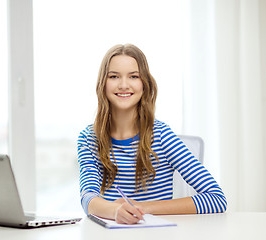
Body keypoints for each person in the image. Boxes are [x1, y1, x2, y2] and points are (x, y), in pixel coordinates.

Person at [77, 44, 227, 224]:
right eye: (114, 76)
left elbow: (217, 199)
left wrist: (142, 207)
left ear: (144, 84)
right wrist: (116, 210)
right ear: (103, 83)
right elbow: (88, 198)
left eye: (133, 76)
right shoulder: (89, 139)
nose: (124, 85)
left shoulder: (162, 136)